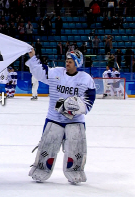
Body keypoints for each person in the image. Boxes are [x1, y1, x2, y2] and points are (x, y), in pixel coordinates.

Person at [25, 49, 96, 184]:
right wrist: (33, 57)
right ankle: (41, 168)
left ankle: (75, 170)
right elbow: (40, 73)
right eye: (67, 61)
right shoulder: (56, 72)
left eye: (70, 62)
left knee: (76, 148)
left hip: (76, 121)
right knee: (47, 146)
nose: (67, 63)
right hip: (54, 118)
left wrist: (80, 107)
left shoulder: (86, 79)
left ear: (77, 64)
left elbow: (89, 99)